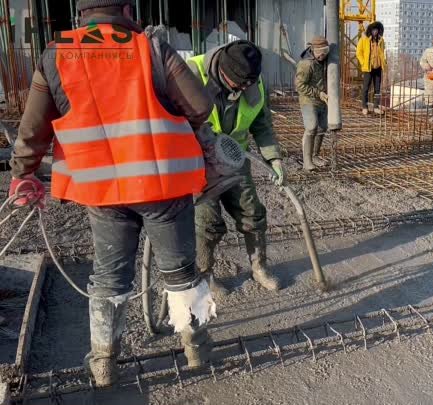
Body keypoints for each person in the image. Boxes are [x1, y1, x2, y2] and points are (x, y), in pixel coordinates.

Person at [7, 0, 216, 387]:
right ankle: (196, 348)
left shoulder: (56, 54)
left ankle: (103, 361)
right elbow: (200, 106)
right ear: (125, 8)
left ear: (82, 15)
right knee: (181, 272)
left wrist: (23, 174)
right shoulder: (151, 47)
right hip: (163, 185)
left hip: (102, 190)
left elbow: (33, 128)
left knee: (108, 277)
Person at [187, 40, 286, 294]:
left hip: (235, 157)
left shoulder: (254, 83)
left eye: (247, 85)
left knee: (253, 214)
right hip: (199, 161)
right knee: (207, 222)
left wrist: (272, 157)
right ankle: (205, 275)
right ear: (222, 70)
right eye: (238, 84)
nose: (243, 90)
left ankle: (259, 268)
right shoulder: (190, 74)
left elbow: (262, 124)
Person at [295, 36, 330, 171]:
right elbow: (299, 86)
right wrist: (318, 93)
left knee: (322, 127)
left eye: (325, 51)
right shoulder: (306, 64)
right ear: (313, 49)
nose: (323, 54)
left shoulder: (326, 60)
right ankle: (307, 161)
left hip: (322, 100)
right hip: (308, 100)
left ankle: (315, 156)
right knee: (311, 127)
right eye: (320, 51)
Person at [356, 21, 386, 115]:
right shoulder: (364, 39)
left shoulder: (381, 40)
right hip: (368, 68)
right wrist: (363, 62)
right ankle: (364, 107)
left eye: (377, 30)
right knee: (366, 88)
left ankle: (376, 107)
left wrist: (384, 62)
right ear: (370, 30)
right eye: (374, 30)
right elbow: (358, 52)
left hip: (378, 67)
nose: (375, 32)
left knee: (377, 88)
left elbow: (383, 52)